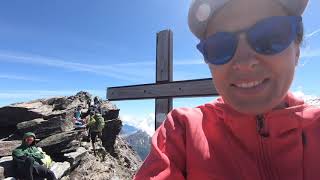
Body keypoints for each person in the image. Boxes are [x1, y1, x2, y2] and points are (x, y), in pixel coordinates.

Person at [134, 0, 320, 179]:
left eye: (270, 36)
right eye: (220, 46)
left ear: (296, 50)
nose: (245, 62)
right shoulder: (181, 131)